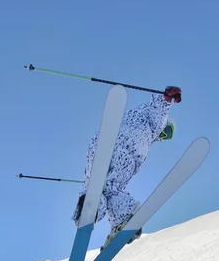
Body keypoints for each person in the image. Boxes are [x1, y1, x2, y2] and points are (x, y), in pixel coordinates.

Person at [72, 86, 182, 249]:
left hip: (103, 142)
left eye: (166, 137)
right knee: (113, 187)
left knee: (104, 186)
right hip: (127, 151)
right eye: (166, 132)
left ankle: (91, 205)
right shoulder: (152, 121)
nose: (161, 137)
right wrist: (166, 99)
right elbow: (158, 109)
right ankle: (122, 215)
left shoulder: (134, 117)